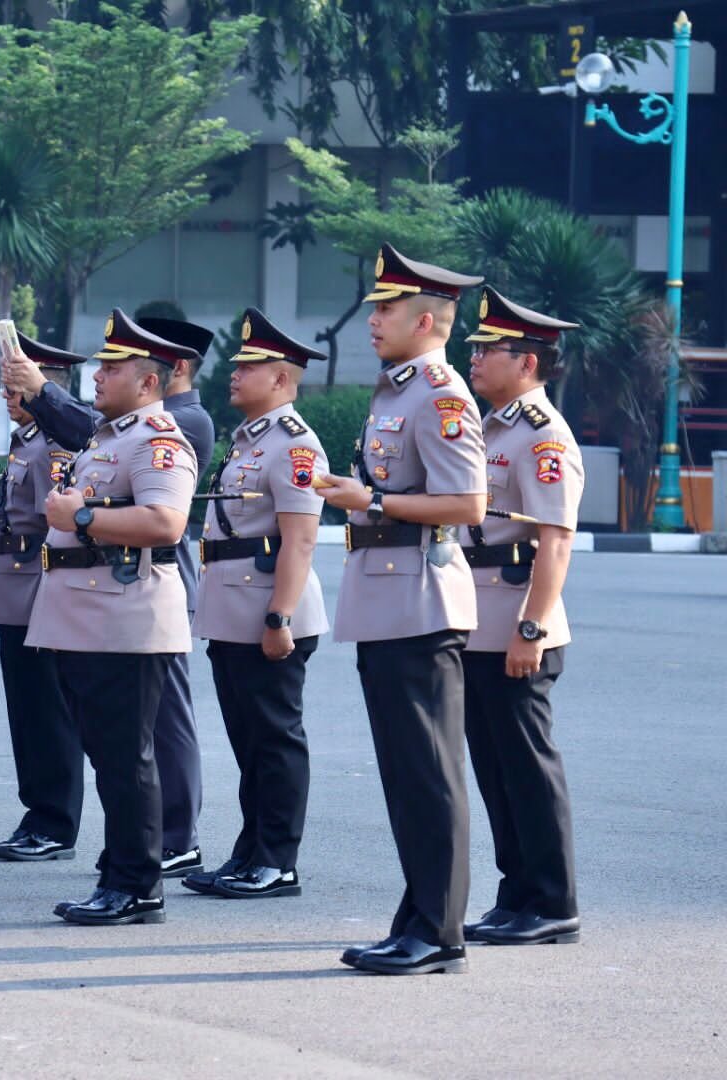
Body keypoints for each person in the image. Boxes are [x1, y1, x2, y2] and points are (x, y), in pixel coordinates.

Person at [318, 243, 487, 976]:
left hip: (420, 601)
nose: (372, 322)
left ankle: (438, 930)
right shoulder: (395, 391)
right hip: (389, 600)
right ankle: (418, 915)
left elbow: (468, 503)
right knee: (404, 771)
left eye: (384, 310)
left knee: (428, 772)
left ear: (426, 320)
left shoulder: (441, 396)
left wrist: (374, 500)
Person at [1, 314, 213, 878]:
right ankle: (124, 871)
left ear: (149, 382)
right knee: (112, 756)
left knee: (132, 754)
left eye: (113, 367)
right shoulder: (109, 436)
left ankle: (140, 877)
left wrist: (83, 514)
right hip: (92, 611)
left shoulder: (167, 433)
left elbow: (166, 522)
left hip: (129, 611)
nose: (97, 375)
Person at [186, 309, 330, 900]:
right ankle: (249, 851)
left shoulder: (295, 444)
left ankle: (278, 860)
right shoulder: (251, 439)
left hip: (270, 613)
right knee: (249, 742)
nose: (234, 374)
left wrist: (280, 617)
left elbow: (299, 537)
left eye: (249, 366)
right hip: (233, 610)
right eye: (236, 364)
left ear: (281, 378)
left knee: (274, 739)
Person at [460, 287, 584, 946]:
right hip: (479, 624)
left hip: (517, 626)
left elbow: (555, 541)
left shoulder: (541, 436)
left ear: (528, 362)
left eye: (488, 350)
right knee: (497, 769)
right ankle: (517, 895)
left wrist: (530, 630)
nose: (474, 359)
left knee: (528, 770)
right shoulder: (492, 425)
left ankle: (553, 900)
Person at [0, 332, 87, 863]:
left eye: (14, 386)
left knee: (47, 710)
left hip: (38, 584)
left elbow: (58, 524)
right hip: (14, 584)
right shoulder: (28, 440)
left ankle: (54, 822)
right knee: (26, 709)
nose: (5, 394)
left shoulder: (55, 444)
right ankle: (36, 813)